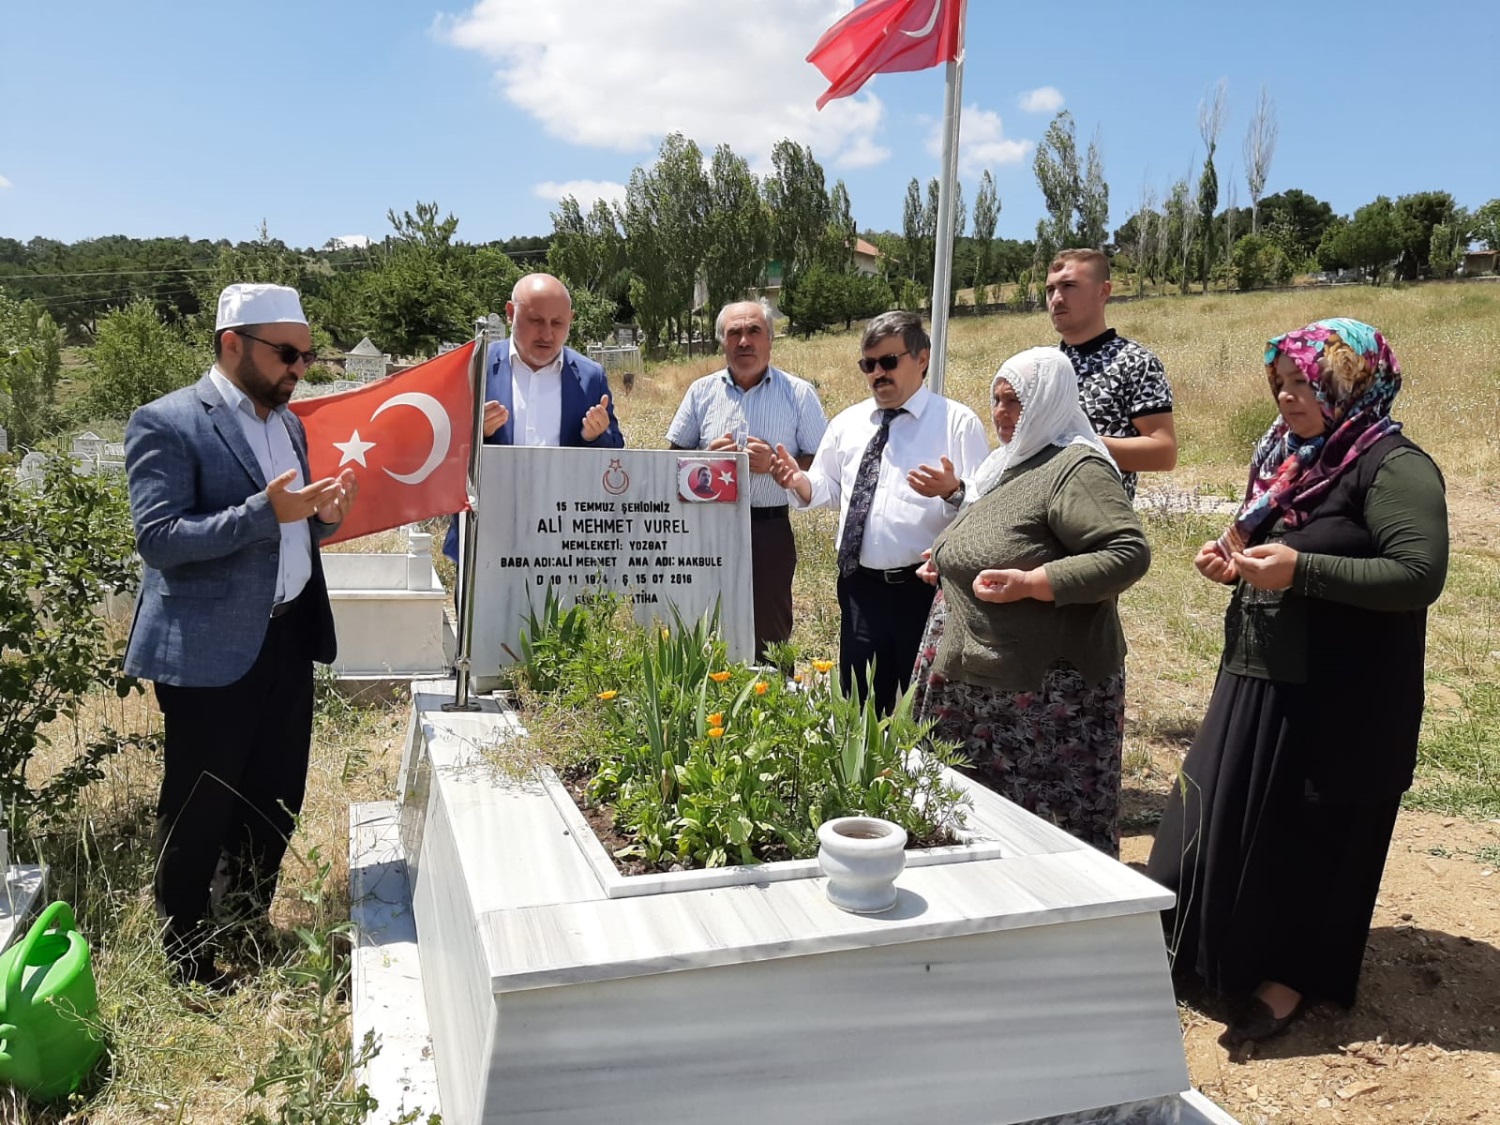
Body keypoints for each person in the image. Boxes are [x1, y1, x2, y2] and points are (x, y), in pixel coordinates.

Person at [1146, 319, 1448, 1046]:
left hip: (1342, 695)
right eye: (1279, 383)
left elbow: (1419, 573)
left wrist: (1301, 571)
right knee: (1212, 820)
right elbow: (1265, 543)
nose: (1286, 396)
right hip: (1261, 672)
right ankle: (1196, 952)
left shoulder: (1392, 465)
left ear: (1356, 382)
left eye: (1305, 383)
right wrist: (1231, 563)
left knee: (1310, 836)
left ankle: (1288, 978)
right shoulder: (1289, 459)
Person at [123, 283, 357, 986]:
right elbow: (159, 538)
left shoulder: (289, 425)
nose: (299, 369)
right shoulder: (167, 421)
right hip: (209, 652)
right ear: (233, 344)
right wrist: (264, 512)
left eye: (307, 356)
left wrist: (324, 518)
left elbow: (294, 527)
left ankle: (244, 925)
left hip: (288, 635)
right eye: (287, 354)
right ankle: (186, 957)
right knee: (201, 807)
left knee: (273, 797)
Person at [909, 348, 1150, 857]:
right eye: (996, 399)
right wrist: (948, 561)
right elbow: (1002, 534)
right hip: (984, 686)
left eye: (1015, 401)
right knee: (975, 826)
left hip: (1041, 701)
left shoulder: (1076, 468)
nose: (1001, 412)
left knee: (1038, 839)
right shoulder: (1010, 463)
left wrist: (1036, 582)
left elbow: (1127, 553)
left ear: (1048, 401)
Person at [769, 310, 988, 713]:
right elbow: (828, 487)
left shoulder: (956, 423)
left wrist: (953, 491)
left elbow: (985, 507)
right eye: (868, 365)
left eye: (888, 361)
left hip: (925, 590)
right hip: (860, 588)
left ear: (921, 359)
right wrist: (799, 482)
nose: (877, 374)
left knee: (923, 709)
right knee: (860, 707)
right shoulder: (849, 423)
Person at [667, 299, 827, 660]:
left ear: (770, 339)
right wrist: (706, 460)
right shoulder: (701, 392)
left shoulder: (798, 393)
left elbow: (821, 462)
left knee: (769, 629)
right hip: (707, 527)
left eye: (754, 331)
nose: (744, 341)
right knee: (704, 620)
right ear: (722, 342)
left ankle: (772, 691)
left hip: (768, 529)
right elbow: (671, 460)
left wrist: (774, 464)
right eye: (734, 333)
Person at [442, 272, 623, 560]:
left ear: (571, 320)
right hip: (487, 537)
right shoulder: (473, 368)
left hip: (564, 540)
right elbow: (440, 449)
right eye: (536, 320)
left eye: (558, 323)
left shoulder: (591, 377)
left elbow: (617, 455)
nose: (547, 334)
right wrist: (476, 433)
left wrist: (595, 436)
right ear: (510, 313)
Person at [1045, 249, 1177, 499]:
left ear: (1103, 291)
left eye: (1069, 286)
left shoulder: (1135, 362)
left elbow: (1163, 453)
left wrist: (1075, 447)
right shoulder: (1042, 365)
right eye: (1050, 289)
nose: (1056, 298)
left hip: (1100, 517)